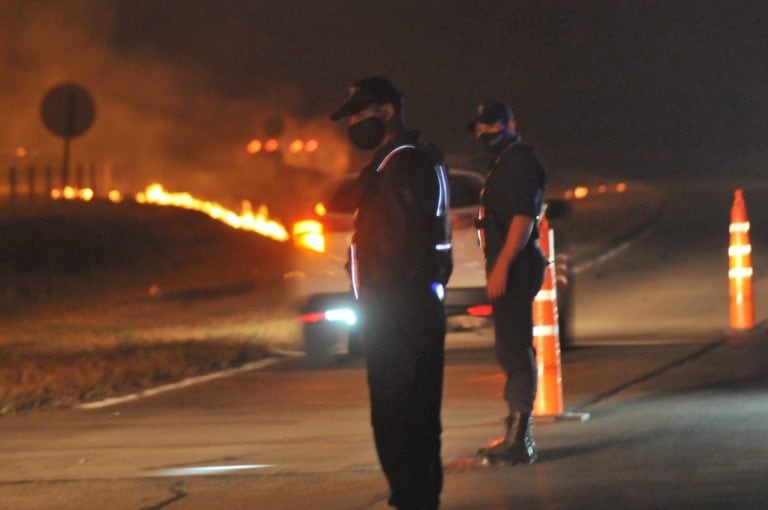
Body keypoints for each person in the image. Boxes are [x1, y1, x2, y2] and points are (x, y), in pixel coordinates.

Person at [330, 76, 452, 510]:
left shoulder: (404, 164)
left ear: (387, 110)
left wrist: (384, 298)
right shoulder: (400, 161)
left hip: (401, 309)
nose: (356, 123)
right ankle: (414, 496)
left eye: (362, 114)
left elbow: (405, 242)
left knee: (402, 417)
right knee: (403, 415)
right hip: (398, 307)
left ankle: (414, 498)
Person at [468, 101, 547, 466]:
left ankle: (519, 440)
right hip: (509, 263)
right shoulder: (504, 160)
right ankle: (517, 434)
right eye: (480, 127)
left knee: (514, 348)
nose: (485, 132)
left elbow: (522, 217)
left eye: (492, 124)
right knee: (509, 347)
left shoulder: (517, 161)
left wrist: (501, 266)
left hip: (515, 265)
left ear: (511, 123)